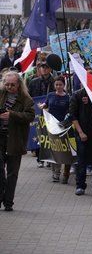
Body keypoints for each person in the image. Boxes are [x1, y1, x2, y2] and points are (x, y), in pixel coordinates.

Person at [0, 71, 35, 211]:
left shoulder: (26, 99)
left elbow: (30, 116)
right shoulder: (1, 94)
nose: (9, 87)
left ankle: (8, 202)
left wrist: (12, 115)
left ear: (19, 84)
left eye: (12, 85)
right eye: (6, 84)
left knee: (12, 173)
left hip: (15, 139)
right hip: (0, 138)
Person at [43, 76, 71, 183]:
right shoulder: (50, 95)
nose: (58, 87)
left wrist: (64, 123)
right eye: (56, 85)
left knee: (61, 149)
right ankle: (55, 172)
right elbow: (46, 105)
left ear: (64, 85)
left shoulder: (68, 97)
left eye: (60, 84)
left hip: (63, 127)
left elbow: (69, 112)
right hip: (51, 126)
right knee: (54, 149)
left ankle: (64, 172)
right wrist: (42, 106)